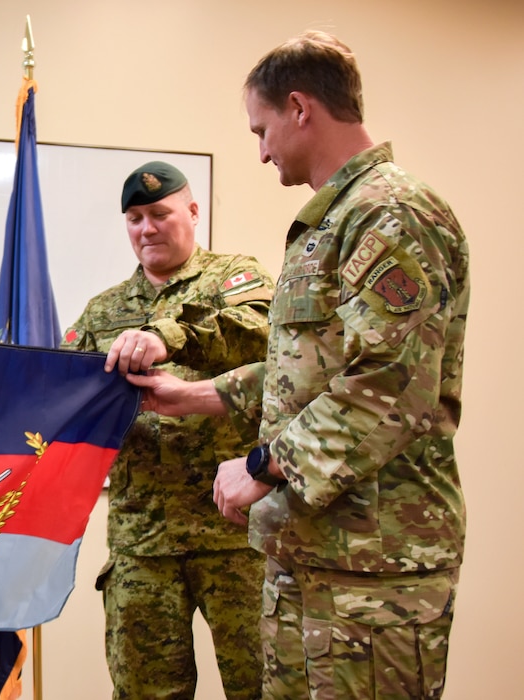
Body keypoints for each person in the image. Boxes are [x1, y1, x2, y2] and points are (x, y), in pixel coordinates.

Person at [125, 31, 470, 699]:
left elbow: (387, 388)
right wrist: (190, 397)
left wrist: (260, 467)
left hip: (372, 577)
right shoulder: (331, 222)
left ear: (300, 106)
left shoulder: (389, 214)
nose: (259, 152)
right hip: (309, 562)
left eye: (262, 130)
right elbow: (303, 373)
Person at [63, 161, 275, 699]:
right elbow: (62, 392)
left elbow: (264, 338)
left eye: (160, 213)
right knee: (146, 693)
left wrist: (168, 334)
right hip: (143, 541)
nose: (147, 228)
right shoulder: (103, 311)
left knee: (266, 688)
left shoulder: (235, 279)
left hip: (235, 535)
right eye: (134, 218)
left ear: (193, 211)